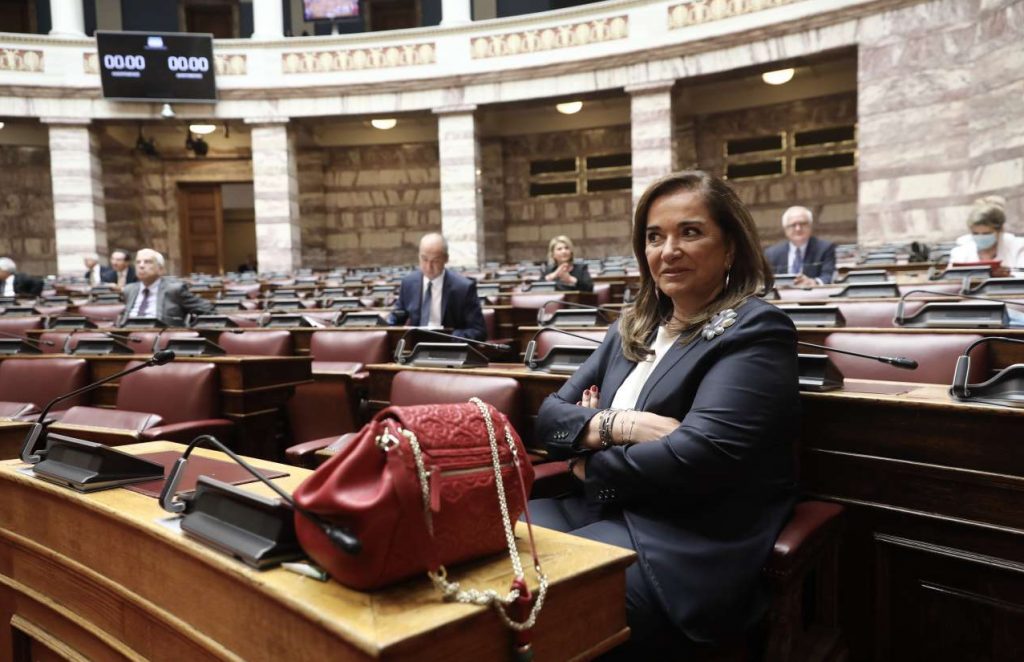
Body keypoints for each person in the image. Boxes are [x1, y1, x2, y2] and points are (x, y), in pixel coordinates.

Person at [531, 171, 799, 657]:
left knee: (547, 592)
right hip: (597, 508)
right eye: (655, 237)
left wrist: (587, 462)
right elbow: (549, 418)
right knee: (481, 554)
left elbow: (698, 453)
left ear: (731, 247)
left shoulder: (755, 329)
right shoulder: (630, 327)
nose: (669, 250)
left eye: (690, 232)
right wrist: (620, 425)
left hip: (681, 536)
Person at [387, 233, 486, 341]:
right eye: (424, 259)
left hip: (449, 347)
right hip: (415, 346)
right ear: (418, 256)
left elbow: (478, 331)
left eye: (435, 260)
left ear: (446, 259)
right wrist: (387, 322)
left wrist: (448, 338)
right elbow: (397, 316)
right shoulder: (408, 283)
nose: (428, 266)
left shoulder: (463, 288)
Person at [118, 248, 213, 327]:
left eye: (148, 262)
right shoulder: (129, 290)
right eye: (138, 262)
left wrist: (190, 331)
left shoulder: (174, 290)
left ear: (161, 269)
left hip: (162, 339)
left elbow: (207, 309)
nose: (141, 266)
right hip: (128, 337)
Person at [949, 196, 1024, 275]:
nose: (980, 237)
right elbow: (950, 278)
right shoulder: (960, 253)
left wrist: (1008, 276)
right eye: (975, 233)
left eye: (986, 233)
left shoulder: (1018, 248)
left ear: (1000, 230)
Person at [763, 206, 836, 285]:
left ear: (810, 226)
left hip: (813, 292)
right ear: (785, 229)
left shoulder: (825, 248)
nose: (798, 228)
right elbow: (767, 280)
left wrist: (814, 282)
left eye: (803, 224)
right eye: (793, 225)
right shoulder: (772, 254)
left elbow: (828, 276)